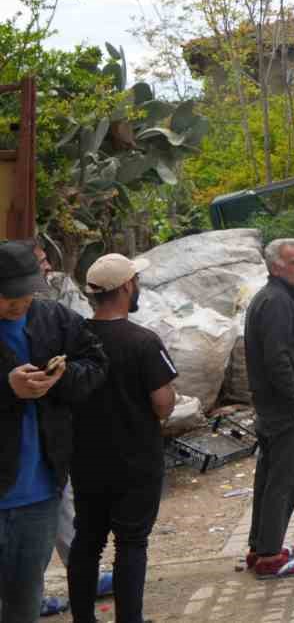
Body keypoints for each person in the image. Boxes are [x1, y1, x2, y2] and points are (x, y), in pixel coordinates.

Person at [0, 240, 107, 623]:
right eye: (10, 295)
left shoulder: (52, 318)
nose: (21, 302)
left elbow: (95, 363)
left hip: (40, 496)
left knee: (23, 606)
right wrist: (7, 387)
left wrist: (63, 377)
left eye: (28, 291)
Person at [68, 254, 177, 623]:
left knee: (87, 542)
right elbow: (162, 405)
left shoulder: (73, 339)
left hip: (85, 462)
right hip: (136, 464)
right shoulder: (143, 342)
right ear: (127, 287)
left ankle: (84, 618)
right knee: (131, 544)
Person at [243, 239, 294, 580]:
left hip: (274, 406)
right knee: (285, 481)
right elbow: (276, 359)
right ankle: (270, 557)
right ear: (275, 267)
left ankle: (262, 546)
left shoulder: (276, 297)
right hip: (283, 408)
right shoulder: (275, 302)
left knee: (271, 479)